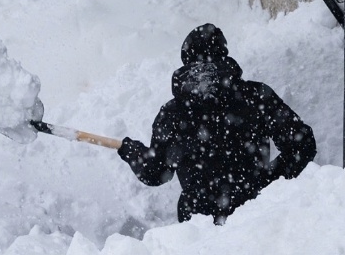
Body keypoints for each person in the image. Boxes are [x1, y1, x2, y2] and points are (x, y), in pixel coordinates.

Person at [117, 23, 316, 224]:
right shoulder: (256, 96)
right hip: (256, 217)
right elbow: (302, 144)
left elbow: (156, 172)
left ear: (186, 60)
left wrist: (132, 151)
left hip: (198, 229)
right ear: (223, 52)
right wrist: (270, 182)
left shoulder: (173, 112)